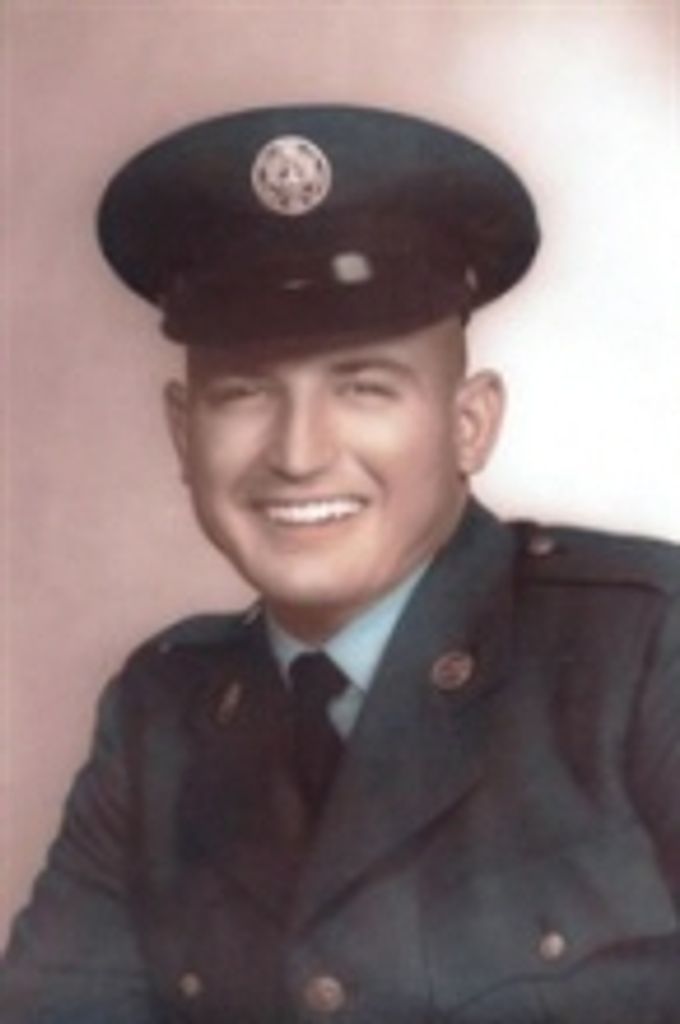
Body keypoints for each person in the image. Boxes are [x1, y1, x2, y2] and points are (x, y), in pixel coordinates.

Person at [1, 103, 679, 1024]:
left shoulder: (644, 651)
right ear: (183, 433)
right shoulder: (160, 714)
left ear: (469, 424)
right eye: (244, 393)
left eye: (363, 387)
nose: (298, 453)